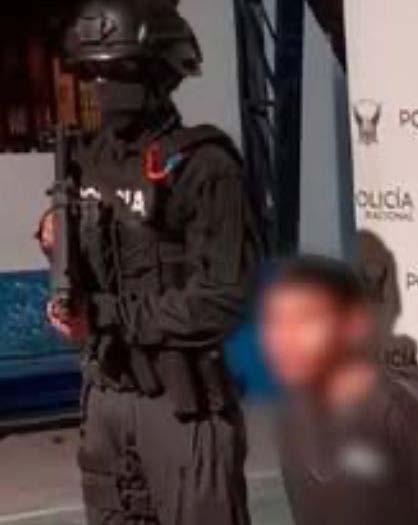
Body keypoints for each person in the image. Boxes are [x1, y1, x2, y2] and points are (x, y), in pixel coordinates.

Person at [39, 1, 260, 523]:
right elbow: (88, 261)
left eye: (118, 71)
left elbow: (224, 298)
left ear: (158, 73)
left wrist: (108, 315)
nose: (101, 87)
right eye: (92, 73)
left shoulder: (203, 166)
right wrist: (57, 255)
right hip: (106, 399)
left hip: (180, 406)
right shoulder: (88, 160)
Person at [259, 256, 418, 525]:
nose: (285, 337)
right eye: (275, 320)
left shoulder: (407, 425)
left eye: (305, 318)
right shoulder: (291, 416)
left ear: (352, 324)